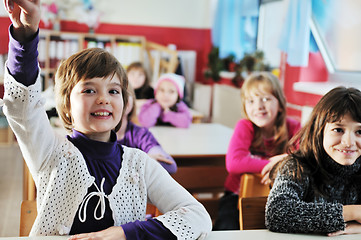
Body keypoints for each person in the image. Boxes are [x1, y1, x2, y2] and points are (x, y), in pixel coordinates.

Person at [2, 0, 212, 239]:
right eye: (89, 90)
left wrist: (124, 233)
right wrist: (25, 36)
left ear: (124, 102)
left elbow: (197, 216)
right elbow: (23, 105)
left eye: (113, 91)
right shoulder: (50, 151)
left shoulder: (139, 164)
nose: (104, 99)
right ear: (67, 104)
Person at [266, 86, 361, 236]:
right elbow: (277, 212)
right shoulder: (297, 166)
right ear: (319, 130)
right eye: (338, 129)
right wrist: (355, 212)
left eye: (359, 132)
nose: (349, 142)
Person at [213, 71, 301, 230]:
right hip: (237, 198)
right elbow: (234, 163)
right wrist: (276, 164)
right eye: (251, 101)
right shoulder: (245, 126)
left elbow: (306, 158)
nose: (258, 106)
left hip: (278, 198)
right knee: (227, 230)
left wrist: (284, 162)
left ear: (280, 104)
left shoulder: (293, 127)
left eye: (266, 99)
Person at [116, 86, 177, 174]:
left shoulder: (140, 134)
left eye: (126, 93)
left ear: (133, 100)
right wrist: (143, 160)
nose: (122, 98)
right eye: (114, 92)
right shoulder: (94, 136)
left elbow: (169, 165)